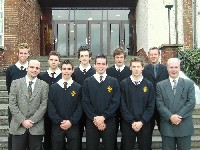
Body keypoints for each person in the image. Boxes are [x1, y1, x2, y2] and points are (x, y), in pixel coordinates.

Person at [82, 54, 120, 150]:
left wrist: (104, 117)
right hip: (92, 122)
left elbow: (115, 102)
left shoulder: (114, 82)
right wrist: (95, 118)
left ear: (107, 65)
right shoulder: (87, 82)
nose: (101, 66)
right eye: (98, 64)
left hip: (109, 121)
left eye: (103, 64)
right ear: (94, 65)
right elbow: (85, 102)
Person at [156, 58, 196, 150]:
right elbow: (159, 104)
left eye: (176, 67)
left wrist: (178, 116)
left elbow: (191, 102)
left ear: (179, 68)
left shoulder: (189, 84)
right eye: (171, 67)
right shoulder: (160, 85)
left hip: (184, 125)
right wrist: (170, 116)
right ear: (167, 68)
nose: (174, 70)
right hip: (168, 127)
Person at [9, 60, 49, 150]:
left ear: (39, 70)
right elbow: (12, 104)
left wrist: (32, 121)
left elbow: (43, 105)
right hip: (18, 126)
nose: (34, 70)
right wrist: (23, 120)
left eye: (37, 68)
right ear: (27, 68)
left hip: (36, 127)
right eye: (32, 67)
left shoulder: (44, 86)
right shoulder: (15, 83)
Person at [120, 57, 155, 150]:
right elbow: (122, 105)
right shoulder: (124, 84)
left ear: (142, 68)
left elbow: (151, 106)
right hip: (128, 124)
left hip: (144, 124)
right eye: (134, 66)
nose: (136, 69)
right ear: (130, 68)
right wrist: (131, 121)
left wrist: (142, 121)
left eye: (138, 66)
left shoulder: (149, 85)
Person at [48, 60, 82, 150]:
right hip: (57, 125)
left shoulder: (78, 87)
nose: (66, 71)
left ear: (72, 70)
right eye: (64, 69)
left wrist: (71, 121)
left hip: (73, 125)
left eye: (69, 69)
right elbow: (51, 107)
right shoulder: (53, 87)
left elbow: (80, 107)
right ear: (61, 70)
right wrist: (59, 121)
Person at [6, 43, 30, 150]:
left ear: (28, 54)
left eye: (25, 53)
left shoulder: (33, 69)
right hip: (15, 109)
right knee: (14, 135)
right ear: (17, 54)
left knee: (29, 136)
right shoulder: (10, 70)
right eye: (21, 53)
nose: (23, 55)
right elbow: (9, 89)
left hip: (30, 108)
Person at [142, 47, 168, 146]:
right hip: (149, 107)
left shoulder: (165, 69)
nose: (153, 56)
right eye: (151, 54)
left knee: (165, 133)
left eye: (155, 54)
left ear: (159, 55)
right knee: (147, 134)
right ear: (148, 56)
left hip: (163, 106)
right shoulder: (144, 70)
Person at [106, 46, 131, 149]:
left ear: (124, 58)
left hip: (126, 106)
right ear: (114, 58)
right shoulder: (108, 71)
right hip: (113, 107)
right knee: (112, 131)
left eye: (121, 57)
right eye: (117, 57)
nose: (119, 59)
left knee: (126, 131)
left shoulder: (130, 71)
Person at [72, 46, 95, 149]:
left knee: (92, 138)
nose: (84, 58)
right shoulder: (74, 73)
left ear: (90, 57)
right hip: (78, 109)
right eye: (82, 56)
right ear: (79, 58)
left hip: (91, 110)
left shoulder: (95, 72)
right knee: (77, 137)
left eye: (86, 56)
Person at [38, 50, 62, 150]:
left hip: (60, 111)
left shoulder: (63, 75)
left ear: (59, 62)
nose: (53, 62)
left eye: (56, 60)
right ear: (48, 61)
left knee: (59, 138)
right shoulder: (42, 76)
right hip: (46, 112)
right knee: (47, 136)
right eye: (51, 59)